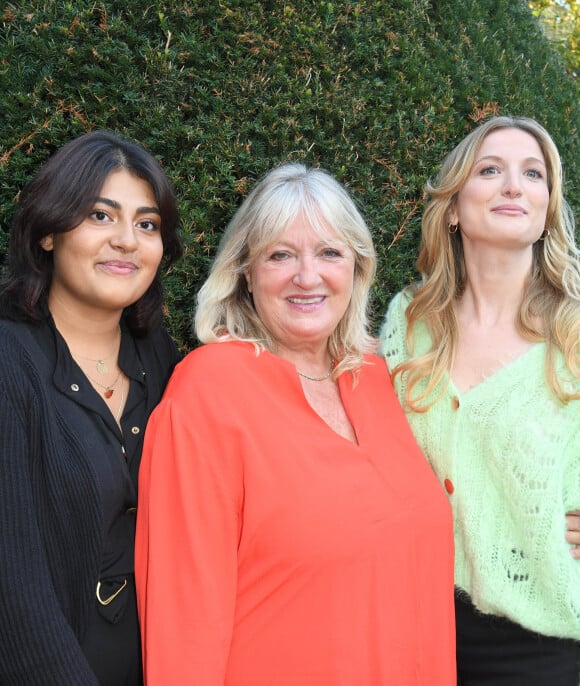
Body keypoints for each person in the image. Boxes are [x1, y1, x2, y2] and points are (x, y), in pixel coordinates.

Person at [135, 162, 456, 685]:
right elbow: (183, 611)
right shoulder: (208, 391)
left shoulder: (376, 377)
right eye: (280, 255)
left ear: (356, 266)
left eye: (329, 252)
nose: (307, 277)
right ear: (245, 270)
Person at [379, 116, 580, 685]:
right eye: (490, 170)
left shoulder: (574, 334)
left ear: (546, 208)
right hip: (414, 627)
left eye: (533, 174)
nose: (514, 186)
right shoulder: (407, 323)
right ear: (451, 207)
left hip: (546, 644)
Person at [0, 130, 182, 686]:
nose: (127, 241)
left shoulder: (161, 357)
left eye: (146, 224)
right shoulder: (9, 361)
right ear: (50, 232)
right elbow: (13, 586)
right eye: (101, 217)